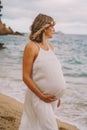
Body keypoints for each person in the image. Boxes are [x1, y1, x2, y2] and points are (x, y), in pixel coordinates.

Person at [19, 13, 66, 130]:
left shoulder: (51, 47)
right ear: (44, 28)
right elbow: (26, 76)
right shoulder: (31, 47)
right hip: (39, 97)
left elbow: (52, 72)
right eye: (52, 27)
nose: (54, 30)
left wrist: (58, 96)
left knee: (36, 126)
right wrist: (41, 96)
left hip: (52, 99)